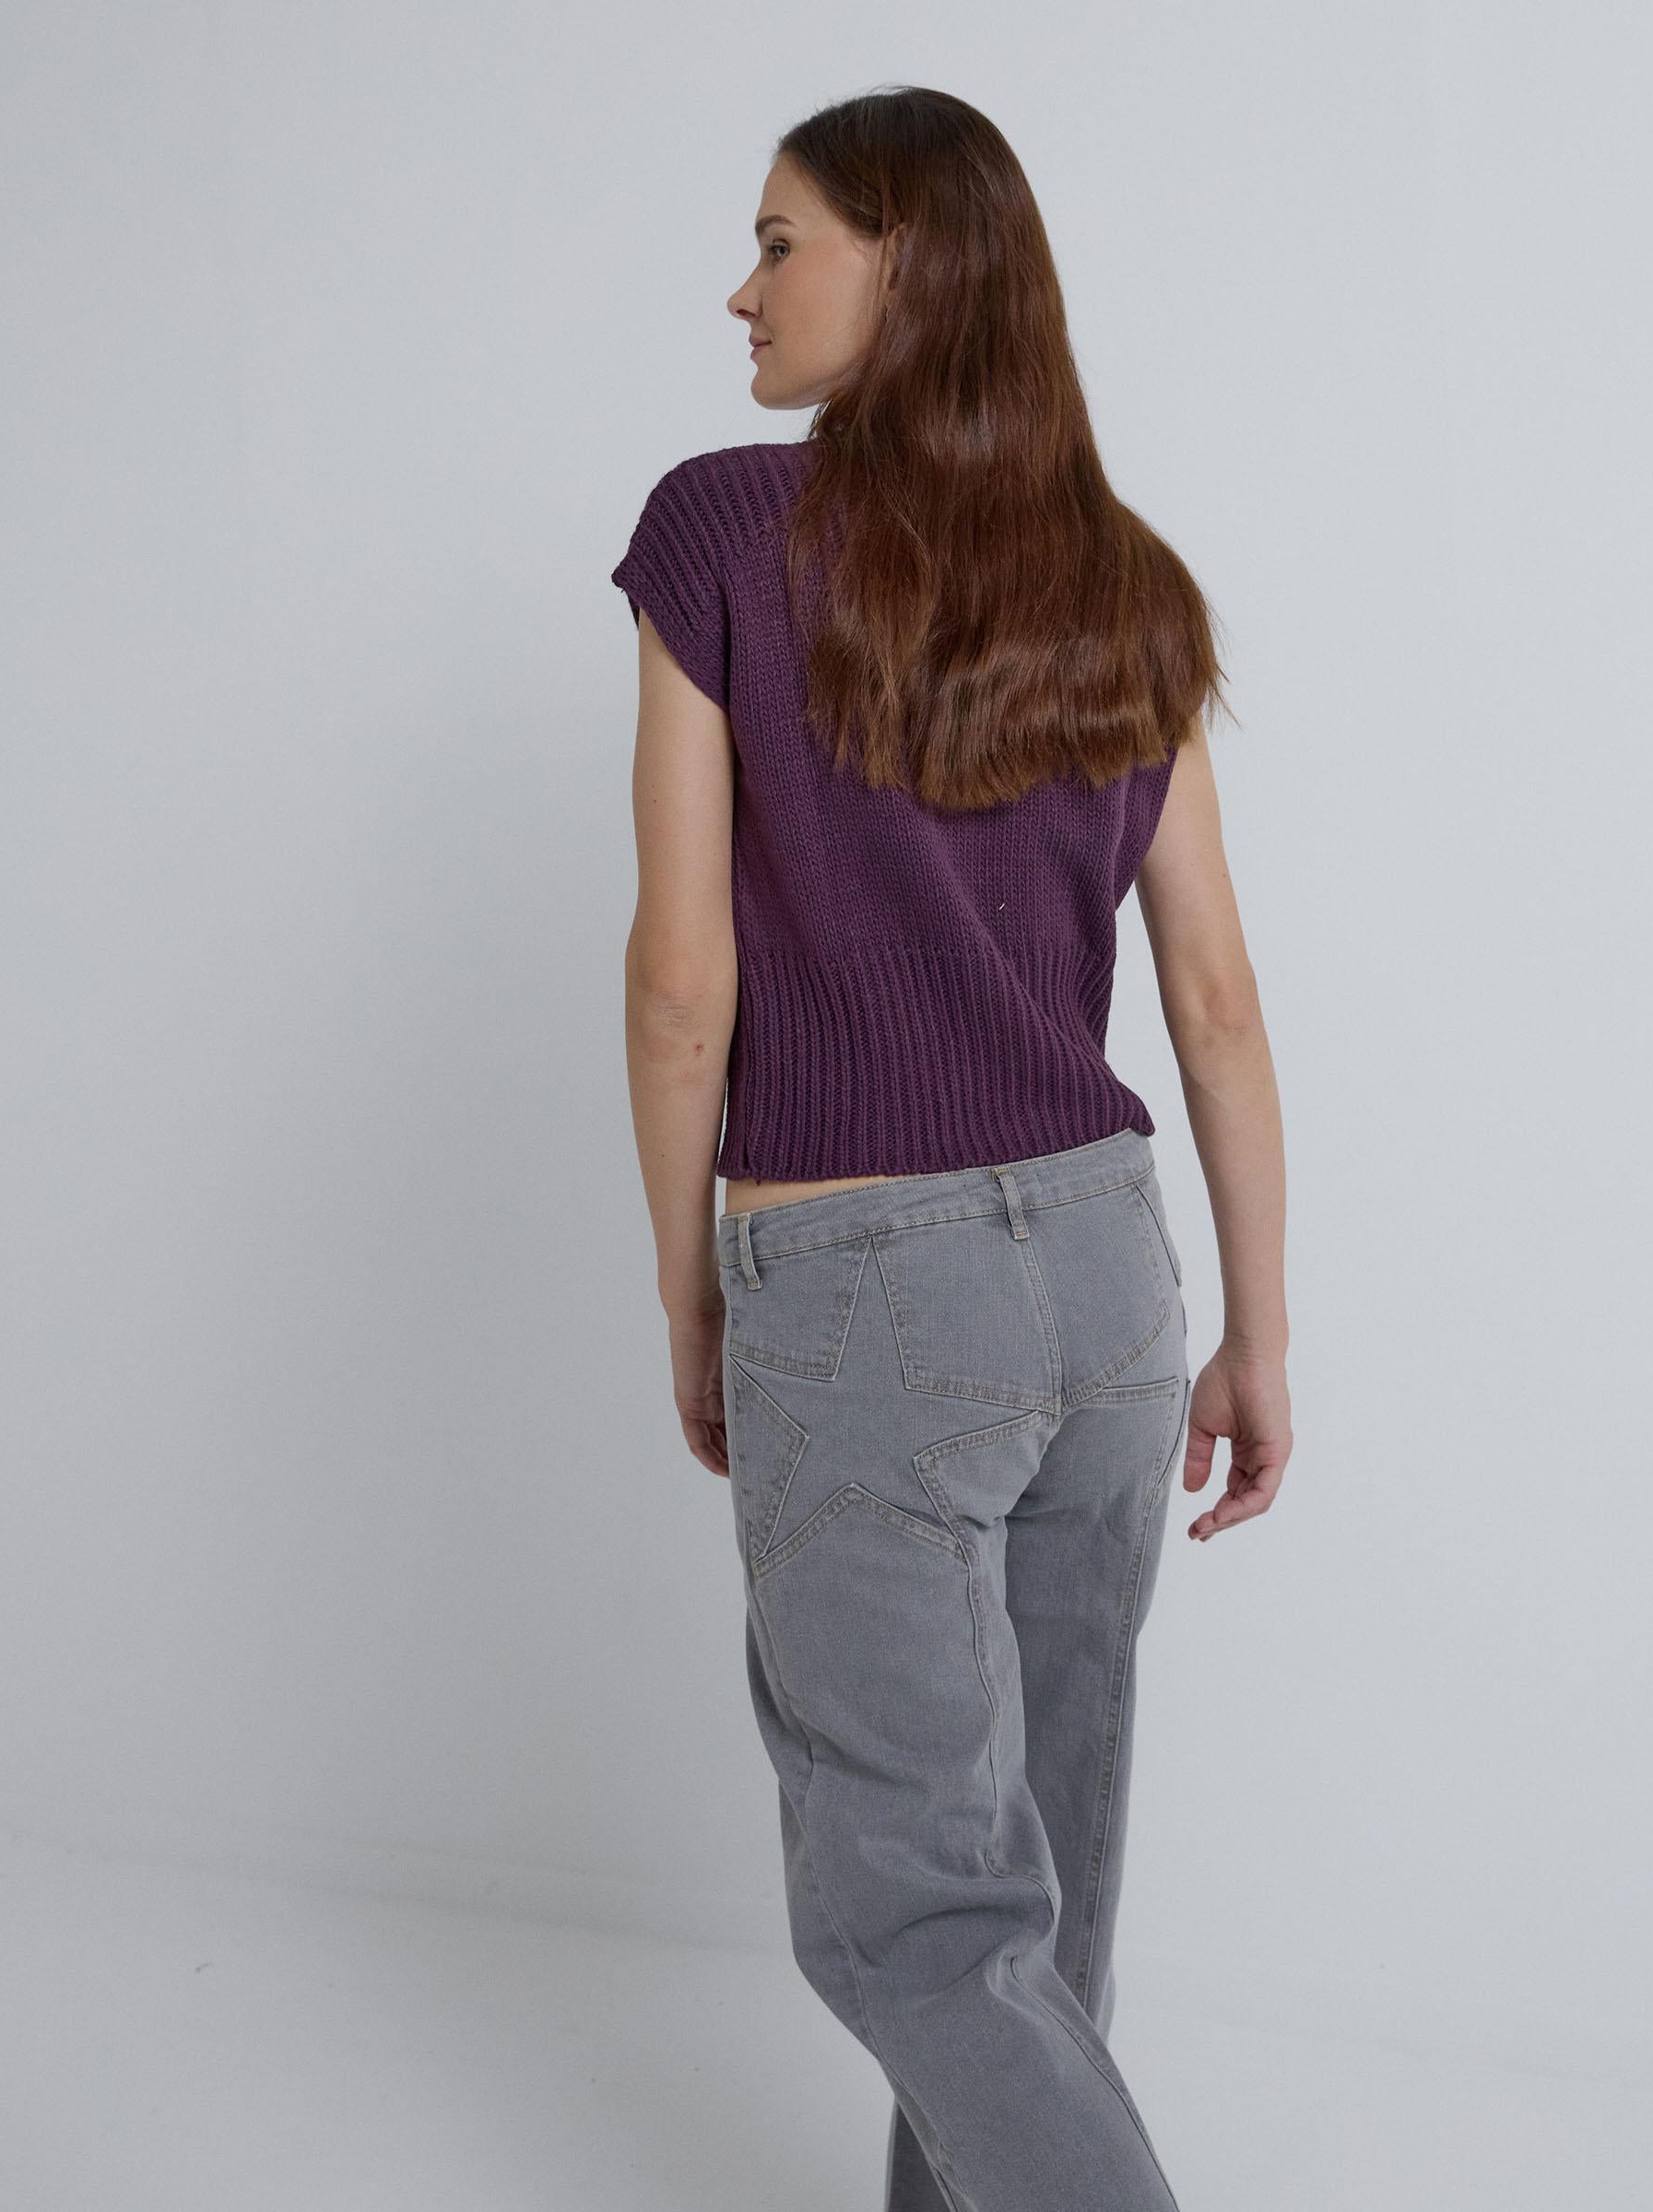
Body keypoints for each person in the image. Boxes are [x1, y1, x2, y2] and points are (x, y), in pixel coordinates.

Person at [612, 85, 1291, 2212]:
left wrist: (694, 1290)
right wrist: (1258, 1331)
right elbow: (1215, 1002)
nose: (742, 291)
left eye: (780, 239)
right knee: (1036, 1902)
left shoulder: (726, 530)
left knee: (916, 1921)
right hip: (1111, 1280)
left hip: (867, 1289)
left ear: (904, 259)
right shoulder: (1126, 584)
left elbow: (681, 982)